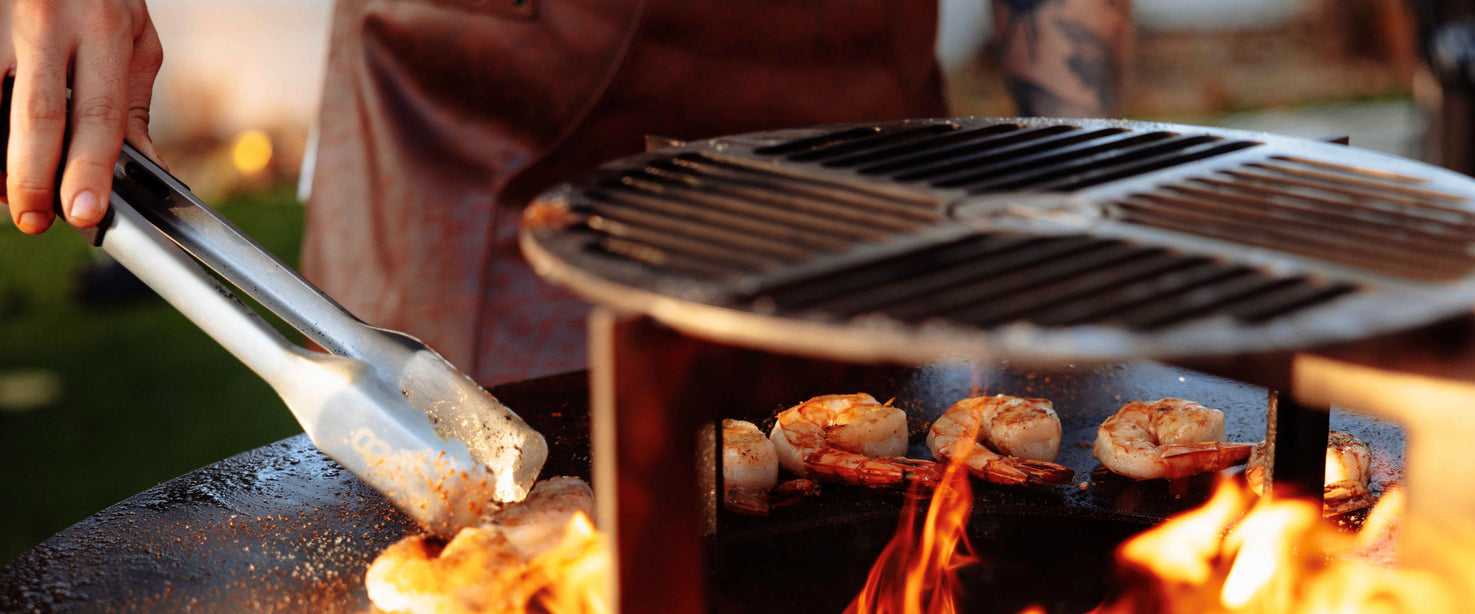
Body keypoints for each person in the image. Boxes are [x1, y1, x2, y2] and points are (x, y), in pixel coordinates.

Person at [1, 0, 1130, 385]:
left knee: (857, 554)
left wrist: (1070, 185)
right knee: (504, 577)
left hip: (864, 134)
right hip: (498, 127)